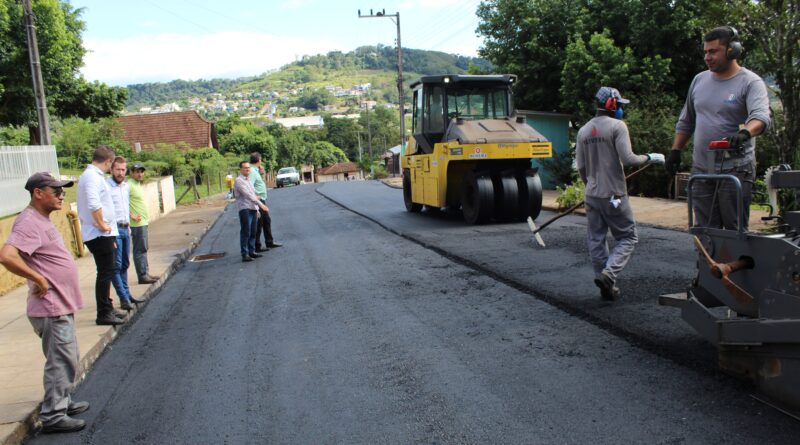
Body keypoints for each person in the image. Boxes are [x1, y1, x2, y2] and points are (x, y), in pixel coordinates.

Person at [0, 173, 90, 434]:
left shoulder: (41, 219)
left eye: (62, 191)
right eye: (56, 191)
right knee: (60, 360)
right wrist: (37, 277)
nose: (62, 195)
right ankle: (53, 415)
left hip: (60, 303)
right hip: (50, 307)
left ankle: (62, 400)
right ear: (38, 193)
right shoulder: (28, 222)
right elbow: (7, 256)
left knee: (67, 356)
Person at [666, 26, 771, 231]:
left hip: (735, 169)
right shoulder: (699, 80)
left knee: (735, 229)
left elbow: (760, 117)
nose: (707, 57)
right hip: (703, 169)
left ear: (732, 50)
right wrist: (675, 151)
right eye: (705, 52)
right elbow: (687, 120)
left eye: (713, 51)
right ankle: (708, 264)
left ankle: (732, 263)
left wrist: (745, 132)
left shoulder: (750, 82)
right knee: (704, 229)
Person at [575, 86, 665, 300]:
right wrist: (650, 157)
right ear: (611, 104)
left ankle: (605, 284)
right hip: (614, 194)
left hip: (592, 195)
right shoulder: (617, 126)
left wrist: (591, 186)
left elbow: (581, 168)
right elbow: (629, 159)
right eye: (619, 105)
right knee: (628, 237)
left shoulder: (583, 130)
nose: (620, 109)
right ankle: (609, 273)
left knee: (596, 239)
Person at [77, 145, 124, 326]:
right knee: (105, 272)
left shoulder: (94, 176)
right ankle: (104, 312)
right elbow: (93, 203)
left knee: (109, 270)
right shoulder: (91, 178)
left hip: (103, 233)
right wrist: (103, 225)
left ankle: (108, 308)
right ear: (108, 162)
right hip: (98, 234)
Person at [107, 157, 142, 311]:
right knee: (116, 265)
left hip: (125, 228)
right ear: (111, 170)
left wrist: (131, 217)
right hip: (113, 230)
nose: (120, 173)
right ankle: (123, 297)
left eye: (123, 170)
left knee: (125, 264)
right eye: (117, 169)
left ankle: (127, 295)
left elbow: (123, 207)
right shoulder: (106, 187)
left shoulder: (125, 187)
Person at [128, 163, 159, 285]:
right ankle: (142, 275)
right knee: (140, 249)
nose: (140, 174)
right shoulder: (129, 185)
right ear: (131, 173)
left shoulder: (137, 184)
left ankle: (145, 273)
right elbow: (120, 202)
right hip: (137, 223)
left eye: (141, 171)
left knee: (144, 248)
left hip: (143, 222)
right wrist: (131, 215)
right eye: (137, 171)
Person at [234, 161, 269, 262]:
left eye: (248, 168)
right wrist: (261, 205)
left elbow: (253, 193)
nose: (247, 170)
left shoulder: (249, 180)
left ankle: (252, 251)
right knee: (246, 231)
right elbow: (248, 195)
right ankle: (244, 254)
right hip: (245, 209)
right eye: (245, 168)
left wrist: (257, 209)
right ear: (240, 169)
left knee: (253, 231)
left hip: (253, 208)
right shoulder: (239, 180)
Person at [248, 152, 282, 252]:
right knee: (259, 223)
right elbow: (250, 185)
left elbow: (258, 182)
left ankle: (269, 242)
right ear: (259, 160)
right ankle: (257, 246)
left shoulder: (255, 170)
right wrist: (255, 199)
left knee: (266, 220)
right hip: (258, 200)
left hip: (261, 199)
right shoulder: (252, 171)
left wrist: (262, 173)